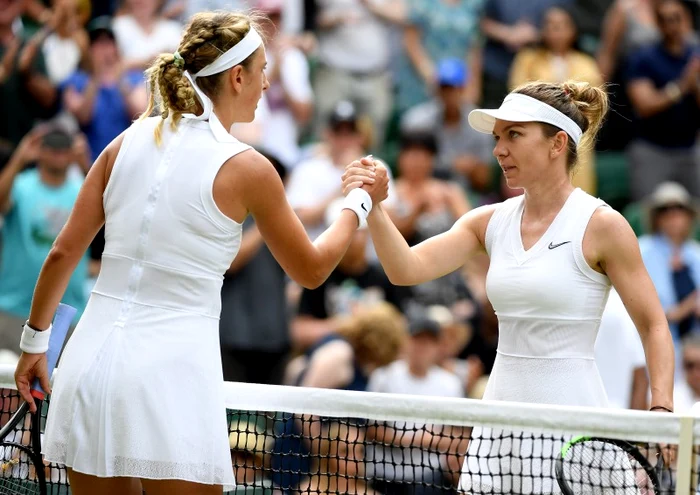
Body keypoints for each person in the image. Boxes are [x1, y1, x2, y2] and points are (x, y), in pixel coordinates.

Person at [13, 11, 388, 495]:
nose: (267, 82)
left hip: (89, 368)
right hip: (171, 377)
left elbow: (63, 253)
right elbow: (313, 269)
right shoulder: (250, 168)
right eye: (262, 70)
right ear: (237, 77)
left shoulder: (122, 143)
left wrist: (33, 346)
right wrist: (357, 203)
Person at [342, 79, 675, 493]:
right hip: (499, 420)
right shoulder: (489, 221)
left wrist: (661, 410)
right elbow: (405, 268)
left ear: (557, 144)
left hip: (572, 422)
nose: (499, 149)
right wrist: (374, 207)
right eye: (498, 137)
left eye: (514, 135)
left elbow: (654, 326)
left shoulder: (603, 225)